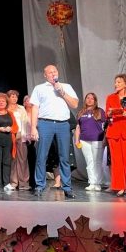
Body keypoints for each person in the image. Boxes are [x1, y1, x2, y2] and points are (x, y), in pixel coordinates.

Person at [29, 64, 79, 198]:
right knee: (42, 155)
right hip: (45, 123)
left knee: (64, 157)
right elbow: (35, 108)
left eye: (55, 71)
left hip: (63, 124)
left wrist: (62, 92)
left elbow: (74, 104)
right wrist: (33, 127)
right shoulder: (39, 88)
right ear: (45, 75)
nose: (53, 74)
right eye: (50, 72)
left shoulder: (66, 86)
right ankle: (40, 185)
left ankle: (67, 187)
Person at [105, 73, 126, 198]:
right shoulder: (110, 97)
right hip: (114, 132)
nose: (116, 84)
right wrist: (110, 113)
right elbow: (107, 115)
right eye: (115, 82)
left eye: (119, 82)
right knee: (116, 161)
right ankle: (119, 186)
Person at [74, 92, 106, 192]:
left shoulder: (100, 111)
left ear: (95, 100)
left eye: (92, 98)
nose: (90, 100)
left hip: (97, 139)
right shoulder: (81, 112)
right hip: (84, 140)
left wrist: (105, 139)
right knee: (89, 161)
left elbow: (106, 126)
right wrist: (77, 140)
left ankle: (98, 183)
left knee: (97, 162)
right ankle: (92, 183)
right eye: (88, 98)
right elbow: (78, 127)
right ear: (85, 100)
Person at [7, 89, 30, 190]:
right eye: (12, 96)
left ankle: (24, 183)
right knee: (13, 159)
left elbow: (26, 122)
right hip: (10, 136)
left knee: (22, 159)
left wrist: (27, 135)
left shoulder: (21, 108)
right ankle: (13, 182)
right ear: (8, 98)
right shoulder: (6, 108)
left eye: (16, 96)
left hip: (21, 135)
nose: (14, 98)